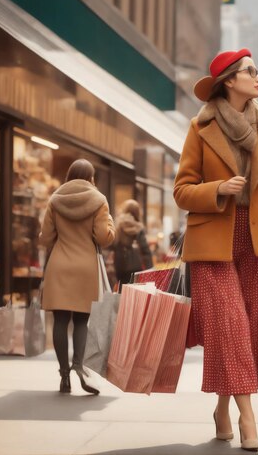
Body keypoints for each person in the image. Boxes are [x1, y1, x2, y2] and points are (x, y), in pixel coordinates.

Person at [174, 48, 258, 452]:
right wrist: (218, 189)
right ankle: (248, 418)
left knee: (248, 332)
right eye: (251, 71)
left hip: (257, 241)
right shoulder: (200, 128)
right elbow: (181, 191)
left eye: (257, 71)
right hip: (213, 241)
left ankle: (221, 408)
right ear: (229, 80)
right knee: (229, 325)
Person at [40, 159, 115, 395]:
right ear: (91, 178)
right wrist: (110, 225)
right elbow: (104, 237)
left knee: (60, 321)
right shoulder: (99, 200)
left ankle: (63, 376)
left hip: (59, 266)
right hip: (85, 267)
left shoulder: (55, 200)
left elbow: (45, 238)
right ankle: (79, 367)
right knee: (82, 320)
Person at [113, 199, 153, 290]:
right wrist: (150, 269)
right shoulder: (139, 227)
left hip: (119, 264)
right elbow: (145, 249)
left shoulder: (118, 224)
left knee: (121, 291)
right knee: (134, 293)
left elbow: (113, 244)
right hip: (136, 265)